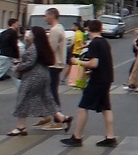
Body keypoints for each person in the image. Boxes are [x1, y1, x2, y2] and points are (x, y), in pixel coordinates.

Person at [61, 19, 116, 147]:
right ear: (101, 29)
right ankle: (110, 137)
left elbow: (94, 63)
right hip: (107, 78)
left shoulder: (94, 44)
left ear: (88, 29)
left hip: (97, 80)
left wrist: (77, 62)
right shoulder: (104, 42)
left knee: (82, 108)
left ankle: (77, 137)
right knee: (106, 108)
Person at [7, 26, 59, 136]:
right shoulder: (43, 46)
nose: (28, 36)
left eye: (31, 34)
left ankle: (20, 127)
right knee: (46, 98)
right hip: (44, 74)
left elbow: (30, 62)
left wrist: (18, 66)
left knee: (23, 99)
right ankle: (62, 117)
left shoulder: (34, 48)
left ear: (35, 36)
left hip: (33, 76)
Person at [41, 8, 70, 125]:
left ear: (51, 16)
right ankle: (47, 115)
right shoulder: (60, 28)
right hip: (58, 63)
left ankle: (58, 119)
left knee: (51, 92)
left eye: (46, 16)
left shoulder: (54, 30)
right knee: (49, 91)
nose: (44, 18)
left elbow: (50, 49)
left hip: (53, 64)